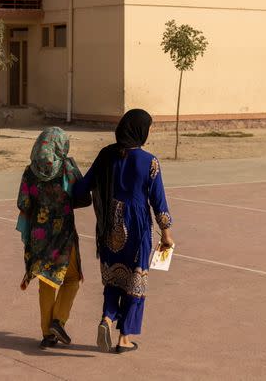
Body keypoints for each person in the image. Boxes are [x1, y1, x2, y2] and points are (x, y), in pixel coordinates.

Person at [74, 109, 174, 353]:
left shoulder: (106, 155)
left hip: (109, 225)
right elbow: (158, 203)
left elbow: (84, 186)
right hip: (137, 225)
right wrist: (167, 235)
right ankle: (124, 338)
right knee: (135, 280)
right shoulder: (149, 161)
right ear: (140, 130)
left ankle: (107, 318)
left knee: (113, 278)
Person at [16, 127, 90, 349]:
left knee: (47, 282)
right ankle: (58, 320)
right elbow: (84, 198)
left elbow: (23, 204)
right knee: (72, 280)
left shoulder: (30, 172)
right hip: (64, 236)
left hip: (39, 237)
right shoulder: (67, 168)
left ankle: (47, 334)